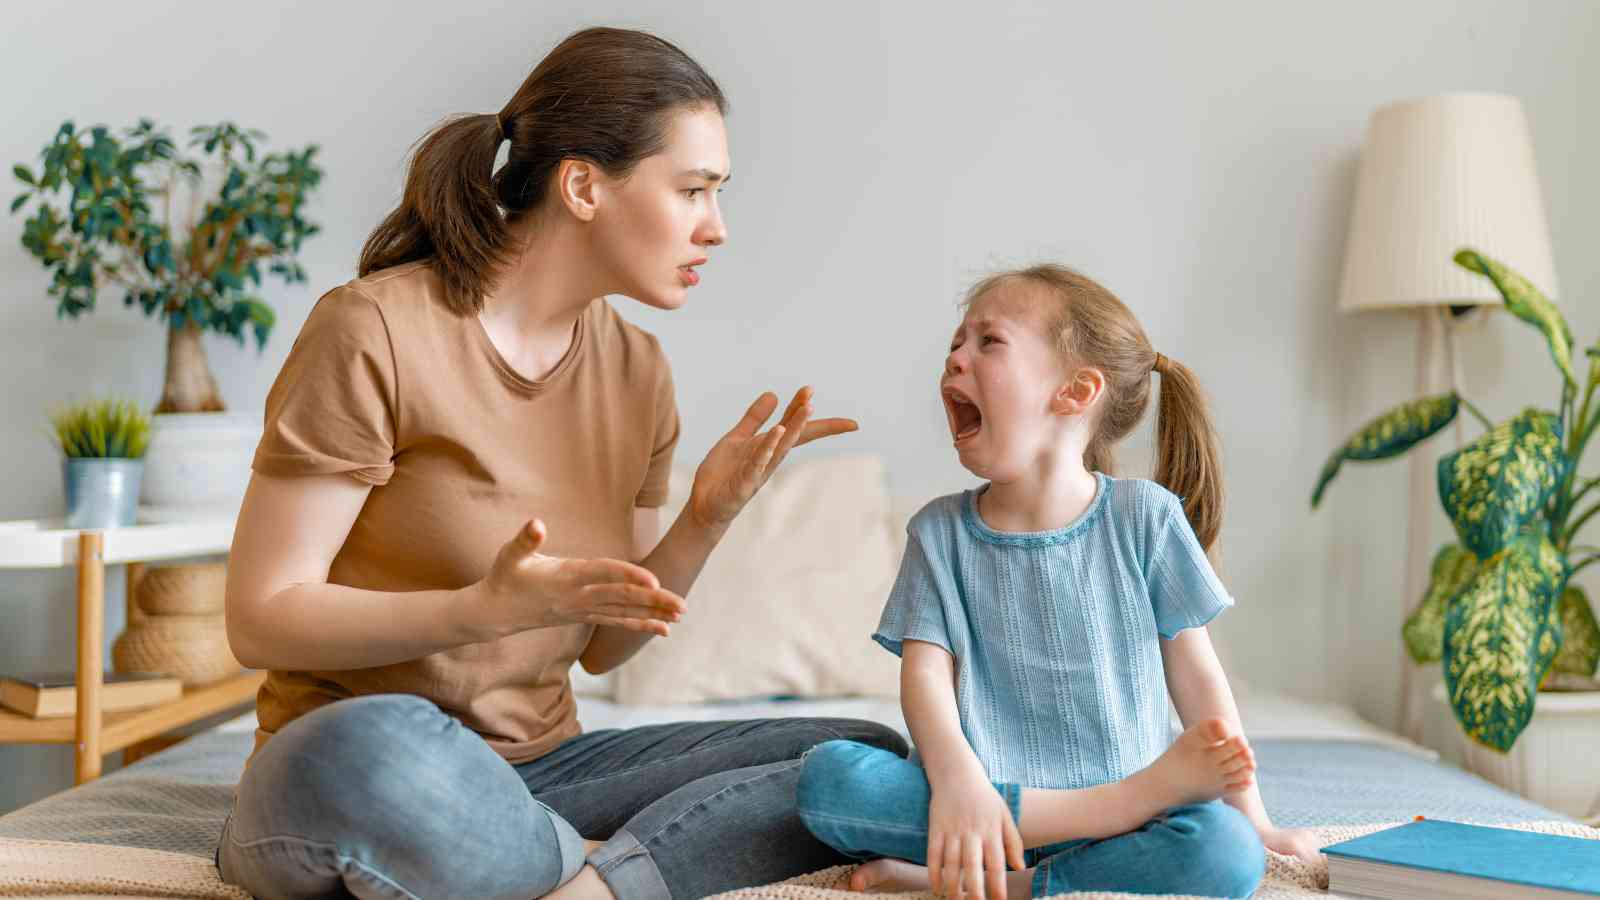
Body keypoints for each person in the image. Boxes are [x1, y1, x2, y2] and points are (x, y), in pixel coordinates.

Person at [219, 26, 905, 900]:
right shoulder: (374, 330)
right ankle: (582, 856)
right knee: (374, 749)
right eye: (692, 190)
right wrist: (478, 611)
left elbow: (607, 649)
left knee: (857, 755)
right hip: (358, 764)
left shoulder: (638, 371)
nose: (717, 228)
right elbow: (261, 617)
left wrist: (707, 517)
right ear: (583, 186)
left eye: (718, 194)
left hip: (546, 773)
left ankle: (589, 881)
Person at [795, 264, 1320, 899]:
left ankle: (1011, 884)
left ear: (1075, 391)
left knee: (1227, 850)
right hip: (985, 807)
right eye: (955, 343)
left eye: (988, 341)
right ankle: (1091, 821)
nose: (955, 358)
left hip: (1126, 821)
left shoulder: (1145, 517)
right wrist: (959, 781)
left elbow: (1198, 678)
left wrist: (1254, 819)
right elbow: (925, 679)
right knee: (829, 780)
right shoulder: (938, 533)